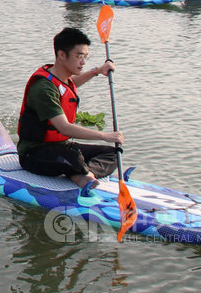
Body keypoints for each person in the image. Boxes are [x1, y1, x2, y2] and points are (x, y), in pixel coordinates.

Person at [17, 27, 124, 189]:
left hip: (60, 148)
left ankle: (85, 174)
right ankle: (80, 172)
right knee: (72, 155)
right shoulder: (43, 88)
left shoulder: (61, 79)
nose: (83, 62)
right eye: (79, 56)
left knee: (113, 153)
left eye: (85, 57)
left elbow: (71, 86)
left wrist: (98, 71)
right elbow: (64, 128)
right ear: (61, 55)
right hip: (33, 154)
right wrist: (104, 135)